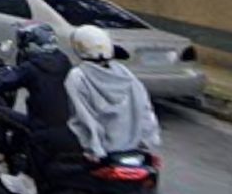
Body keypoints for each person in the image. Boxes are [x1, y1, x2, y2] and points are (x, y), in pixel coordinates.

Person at [0, 23, 78, 194]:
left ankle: (0, 161)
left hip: (43, 127)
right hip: (69, 125)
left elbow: (3, 83)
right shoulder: (63, 60)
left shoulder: (32, 67)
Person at [63, 25, 161, 161]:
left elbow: (83, 116)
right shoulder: (125, 73)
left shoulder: (78, 76)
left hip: (102, 152)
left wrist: (95, 149)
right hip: (134, 149)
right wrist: (149, 140)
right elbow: (145, 109)